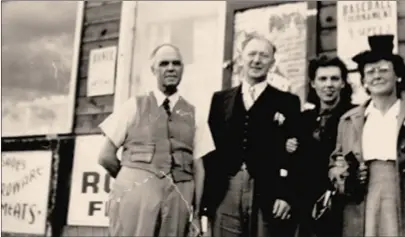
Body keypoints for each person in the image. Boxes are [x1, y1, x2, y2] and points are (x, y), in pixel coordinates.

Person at [97, 43, 215, 237]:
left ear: (182, 69)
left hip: (178, 198)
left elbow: (199, 167)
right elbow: (105, 157)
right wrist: (131, 181)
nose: (170, 68)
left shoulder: (195, 114)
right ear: (153, 69)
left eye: (176, 63)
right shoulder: (134, 106)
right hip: (138, 199)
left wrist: (196, 213)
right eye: (163, 63)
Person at [205, 34, 301, 237]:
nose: (257, 60)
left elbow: (294, 153)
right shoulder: (220, 100)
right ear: (241, 58)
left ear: (272, 63)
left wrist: (286, 195)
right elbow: (211, 151)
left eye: (264, 56)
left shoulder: (288, 102)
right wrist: (207, 199)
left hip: (268, 191)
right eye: (252, 54)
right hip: (226, 189)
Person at [328, 34, 405, 237]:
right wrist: (344, 176)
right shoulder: (349, 120)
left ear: (398, 76)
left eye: (383, 70)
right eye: (370, 72)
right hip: (363, 201)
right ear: (363, 80)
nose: (376, 76)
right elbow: (336, 164)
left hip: (400, 191)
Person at [287, 55, 354, 237]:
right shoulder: (303, 119)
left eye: (335, 78)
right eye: (322, 79)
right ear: (313, 84)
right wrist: (288, 147)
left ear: (343, 83)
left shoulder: (354, 116)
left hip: (342, 206)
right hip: (306, 207)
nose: (329, 85)